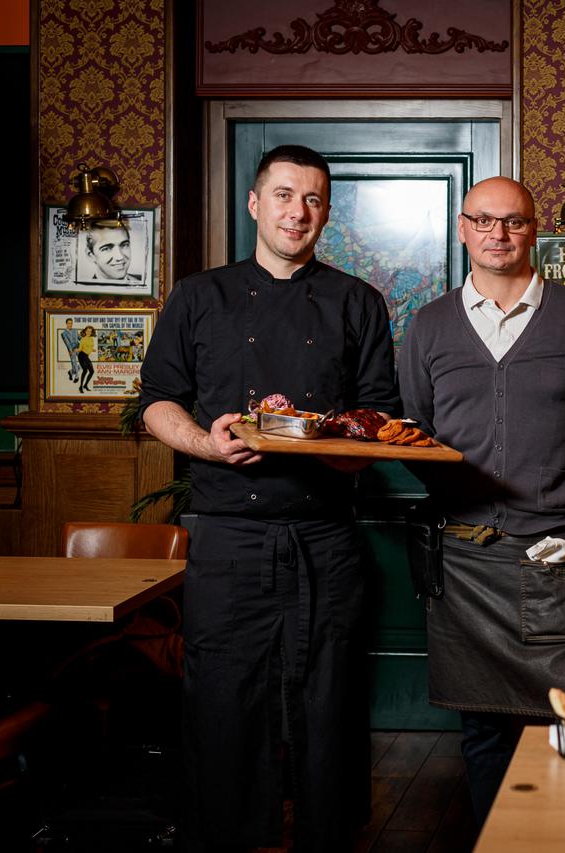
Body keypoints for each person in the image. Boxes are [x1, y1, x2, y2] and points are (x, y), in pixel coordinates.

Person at [140, 144, 400, 851]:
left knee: (330, 695)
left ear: (327, 214)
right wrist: (209, 443)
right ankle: (227, 835)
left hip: (325, 534)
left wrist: (327, 445)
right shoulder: (199, 296)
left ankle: (327, 835)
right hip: (228, 534)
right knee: (222, 697)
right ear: (255, 203)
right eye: (284, 195)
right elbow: (157, 401)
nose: (298, 212)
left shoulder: (358, 301)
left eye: (313, 199)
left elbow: (378, 417)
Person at [398, 176, 565, 823]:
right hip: (462, 557)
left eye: (514, 221)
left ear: (533, 231)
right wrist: (460, 492)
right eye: (483, 220)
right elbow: (413, 433)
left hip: (552, 552)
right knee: (483, 728)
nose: (497, 234)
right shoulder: (429, 324)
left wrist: (561, 491)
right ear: (462, 228)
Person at [60, 317, 80, 383]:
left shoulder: (75, 330)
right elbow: (67, 343)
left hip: (78, 348)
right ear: (66, 324)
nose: (70, 325)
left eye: (71, 323)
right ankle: (77, 376)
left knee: (83, 363)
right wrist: (70, 351)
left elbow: (80, 338)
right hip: (72, 349)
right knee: (74, 363)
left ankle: (71, 372)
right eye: (69, 323)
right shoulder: (63, 334)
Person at [77, 325, 96, 393]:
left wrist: (92, 350)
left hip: (86, 356)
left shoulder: (91, 339)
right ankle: (80, 386)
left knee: (92, 371)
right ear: (85, 331)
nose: (88, 332)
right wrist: (75, 350)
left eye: (90, 331)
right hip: (82, 356)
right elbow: (80, 349)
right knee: (85, 370)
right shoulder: (83, 339)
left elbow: (89, 347)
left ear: (92, 332)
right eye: (87, 331)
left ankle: (85, 385)